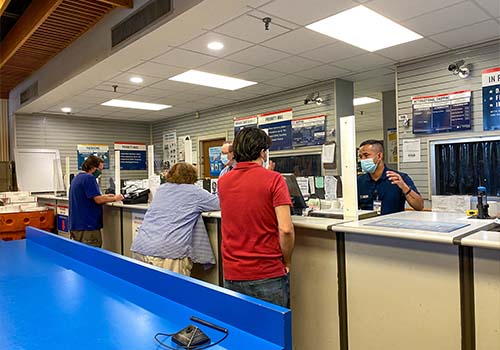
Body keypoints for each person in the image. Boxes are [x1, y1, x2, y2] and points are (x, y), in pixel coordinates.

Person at [218, 127, 295, 308]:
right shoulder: (274, 179)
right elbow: (286, 229)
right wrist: (288, 260)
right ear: (262, 152)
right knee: (272, 333)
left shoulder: (223, 182)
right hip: (267, 271)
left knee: (241, 331)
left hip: (232, 271)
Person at [131, 162, 220, 276]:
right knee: (173, 292)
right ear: (192, 176)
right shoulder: (195, 192)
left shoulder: (162, 189)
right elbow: (219, 203)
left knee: (145, 290)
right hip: (167, 252)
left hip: (141, 247)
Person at [69, 155, 124, 247]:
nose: (100, 172)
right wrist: (115, 198)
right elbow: (98, 200)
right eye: (100, 169)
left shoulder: (77, 178)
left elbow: (89, 196)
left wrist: (105, 196)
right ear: (93, 168)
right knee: (91, 255)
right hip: (88, 226)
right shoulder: (89, 178)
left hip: (76, 225)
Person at [357, 139, 424, 215]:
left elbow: (419, 206)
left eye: (366, 155)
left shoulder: (399, 178)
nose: (363, 160)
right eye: (360, 156)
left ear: (379, 156)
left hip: (392, 225)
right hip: (366, 224)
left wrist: (404, 187)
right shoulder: (359, 181)